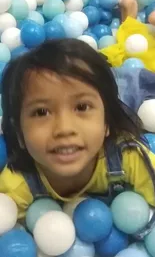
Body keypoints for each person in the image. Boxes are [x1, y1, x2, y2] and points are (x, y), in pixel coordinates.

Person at [0, 38, 155, 228]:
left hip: (125, 96)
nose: (64, 128)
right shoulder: (16, 186)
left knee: (134, 84)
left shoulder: (128, 155)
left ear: (106, 122)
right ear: (19, 133)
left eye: (81, 107)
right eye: (41, 112)